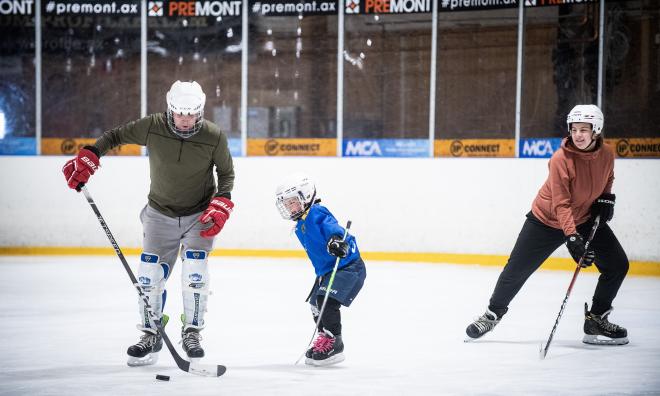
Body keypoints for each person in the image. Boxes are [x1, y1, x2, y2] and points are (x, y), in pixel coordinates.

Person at [62, 80, 235, 366]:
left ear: (200, 111)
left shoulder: (213, 136)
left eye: (192, 114)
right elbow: (114, 136)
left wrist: (222, 200)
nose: (185, 120)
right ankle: (150, 334)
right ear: (170, 109)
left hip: (199, 215)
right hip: (159, 214)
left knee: (195, 272)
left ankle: (192, 332)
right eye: (180, 113)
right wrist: (91, 154)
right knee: (148, 277)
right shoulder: (153, 126)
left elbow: (226, 173)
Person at [465, 104, 629, 345]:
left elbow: (608, 176)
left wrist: (607, 197)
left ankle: (596, 318)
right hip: (547, 220)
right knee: (516, 271)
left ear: (597, 130)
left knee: (617, 264)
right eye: (574, 129)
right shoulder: (560, 159)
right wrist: (573, 239)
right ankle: (492, 315)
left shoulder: (606, 154)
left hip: (584, 218)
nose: (578, 135)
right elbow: (561, 205)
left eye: (585, 129)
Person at [275, 173, 366, 366]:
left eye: (293, 202)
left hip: (348, 268)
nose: (290, 207)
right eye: (287, 204)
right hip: (328, 271)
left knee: (326, 301)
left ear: (306, 197)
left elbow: (334, 229)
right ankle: (325, 337)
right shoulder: (301, 223)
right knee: (316, 304)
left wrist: (335, 241)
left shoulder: (317, 212)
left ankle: (336, 344)